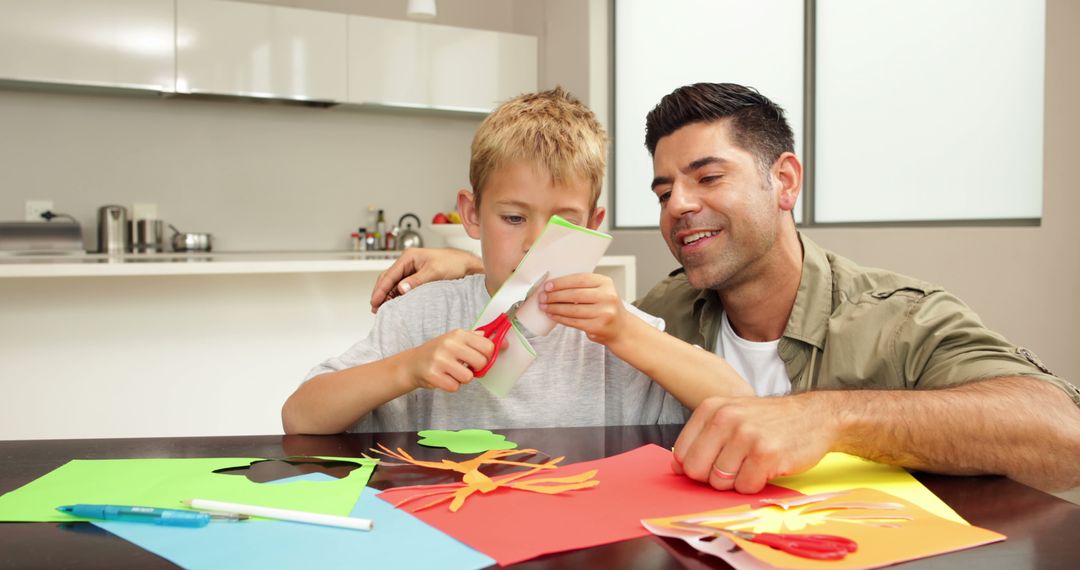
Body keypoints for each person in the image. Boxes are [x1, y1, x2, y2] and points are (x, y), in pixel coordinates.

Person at [368, 82, 1080, 493]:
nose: (679, 203)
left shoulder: (896, 321)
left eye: (708, 177)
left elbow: (1062, 434)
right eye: (664, 188)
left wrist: (831, 419)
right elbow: (578, 307)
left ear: (785, 182)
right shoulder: (669, 309)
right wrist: (476, 267)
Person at [282, 87, 753, 435]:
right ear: (471, 214)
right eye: (512, 217)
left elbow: (743, 409)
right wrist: (406, 369)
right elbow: (299, 417)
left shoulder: (618, 331)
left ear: (592, 223)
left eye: (563, 221)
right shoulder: (418, 318)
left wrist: (626, 333)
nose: (533, 243)